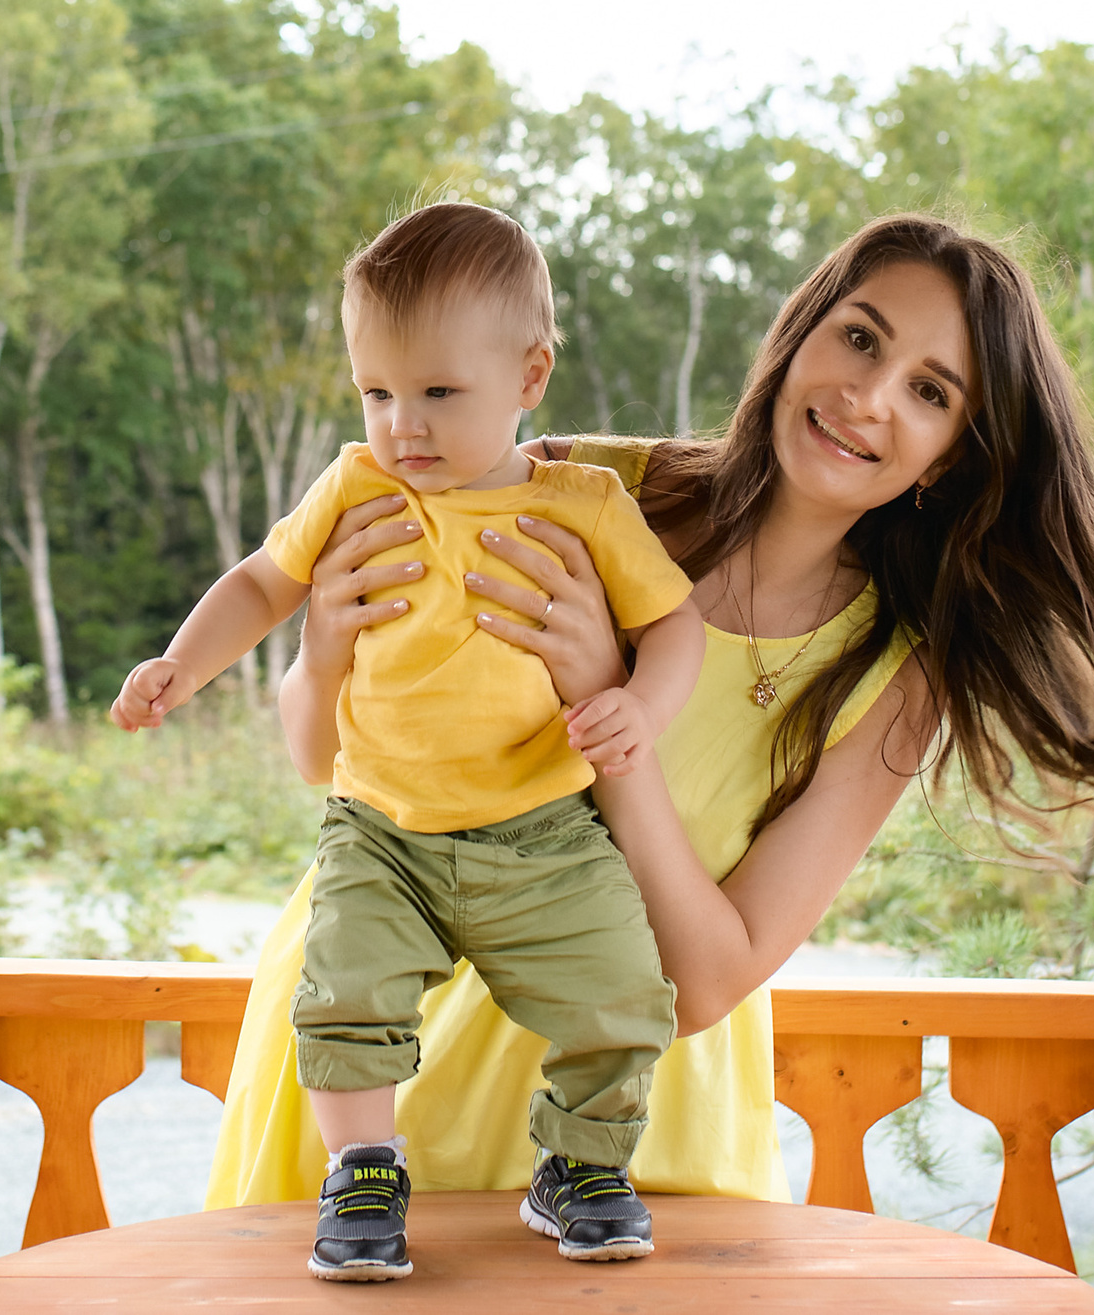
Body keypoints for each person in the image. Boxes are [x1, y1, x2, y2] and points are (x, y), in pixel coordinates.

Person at [206, 212, 1094, 1215]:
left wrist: (608, 704)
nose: (869, 397)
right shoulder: (585, 490)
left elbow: (703, 984)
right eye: (861, 338)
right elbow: (326, 754)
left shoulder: (892, 673)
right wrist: (320, 646)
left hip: (616, 1135)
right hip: (381, 1079)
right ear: (798, 335)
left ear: (951, 457)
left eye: (932, 393)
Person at [114, 202, 706, 1282]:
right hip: (379, 826)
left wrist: (643, 708)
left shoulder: (583, 504)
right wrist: (181, 664)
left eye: (438, 392)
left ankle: (578, 1165)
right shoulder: (356, 484)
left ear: (530, 377)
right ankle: (364, 1170)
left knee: (623, 987)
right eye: (376, 392)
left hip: (543, 831)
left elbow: (674, 623)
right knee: (344, 987)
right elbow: (261, 582)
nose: (403, 425)